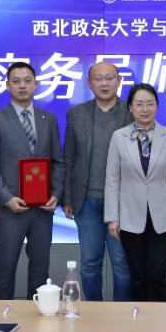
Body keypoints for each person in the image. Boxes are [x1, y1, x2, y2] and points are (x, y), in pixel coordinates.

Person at [0, 62, 65, 300]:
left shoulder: (49, 119)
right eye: (16, 81)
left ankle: (38, 317)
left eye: (27, 81)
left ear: (36, 84)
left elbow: (57, 161)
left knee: (40, 271)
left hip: (42, 209)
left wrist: (56, 194)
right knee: (5, 269)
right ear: (7, 85)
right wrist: (6, 197)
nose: (22, 86)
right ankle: (2, 315)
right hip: (10, 208)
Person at [105, 84, 166, 302]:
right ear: (130, 107)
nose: (145, 109)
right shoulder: (119, 136)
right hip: (130, 215)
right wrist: (112, 217)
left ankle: (159, 320)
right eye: (139, 104)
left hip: (163, 216)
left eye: (150, 103)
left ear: (157, 106)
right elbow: (112, 179)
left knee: (158, 274)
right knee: (138, 275)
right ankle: (138, 318)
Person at [62, 61, 133, 301]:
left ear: (119, 81)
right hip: (86, 200)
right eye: (98, 78)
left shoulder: (131, 112)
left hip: (122, 202)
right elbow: (69, 157)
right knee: (90, 263)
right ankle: (94, 312)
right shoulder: (76, 113)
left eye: (109, 78)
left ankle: (123, 314)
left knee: (121, 263)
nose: (104, 83)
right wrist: (67, 197)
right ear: (89, 83)